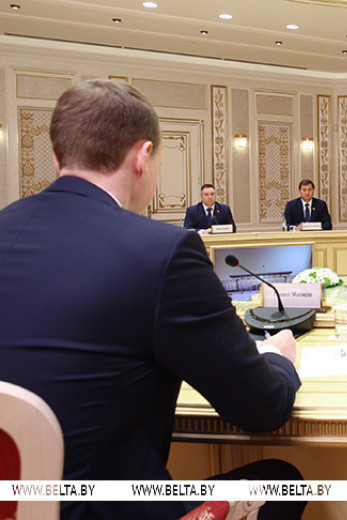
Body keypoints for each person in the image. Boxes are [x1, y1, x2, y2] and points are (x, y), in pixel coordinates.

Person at [0, 80, 305, 520]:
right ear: (143, 157)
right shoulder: (162, 252)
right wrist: (278, 357)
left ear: (57, 158)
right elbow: (262, 408)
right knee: (283, 482)